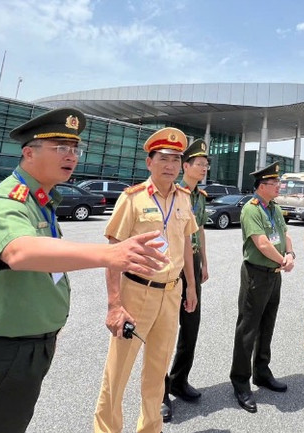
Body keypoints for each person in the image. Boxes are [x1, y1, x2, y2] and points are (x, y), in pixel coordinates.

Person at [0, 108, 169, 433]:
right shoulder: (6, 203)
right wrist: (110, 254)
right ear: (28, 152)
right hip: (1, 353)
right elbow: (19, 251)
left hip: (27, 348)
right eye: (61, 148)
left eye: (75, 149)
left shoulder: (42, 201)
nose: (72, 157)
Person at [93, 127, 198, 433]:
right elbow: (112, 253)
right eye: (163, 158)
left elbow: (187, 247)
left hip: (171, 293)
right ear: (149, 162)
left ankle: (150, 428)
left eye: (176, 159)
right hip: (136, 292)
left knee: (157, 371)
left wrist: (190, 286)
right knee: (118, 372)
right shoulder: (132, 199)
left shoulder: (183, 198)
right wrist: (114, 304)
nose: (170, 165)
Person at [230, 161, 295, 413]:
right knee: (248, 328)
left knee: (267, 324)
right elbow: (261, 243)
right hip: (256, 274)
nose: (279, 186)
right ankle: (240, 381)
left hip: (274, 274)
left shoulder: (274, 207)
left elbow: (284, 234)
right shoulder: (252, 209)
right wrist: (283, 260)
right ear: (261, 186)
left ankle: (262, 372)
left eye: (278, 182)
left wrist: (290, 254)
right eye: (274, 183)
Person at [161, 139, 210, 422]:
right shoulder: (174, 193)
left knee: (190, 326)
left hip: (193, 264)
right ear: (186, 166)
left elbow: (199, 231)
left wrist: (205, 261)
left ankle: (180, 380)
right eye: (199, 164)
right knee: (166, 330)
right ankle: (160, 391)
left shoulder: (200, 197)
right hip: (172, 265)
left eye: (206, 164)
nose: (203, 168)